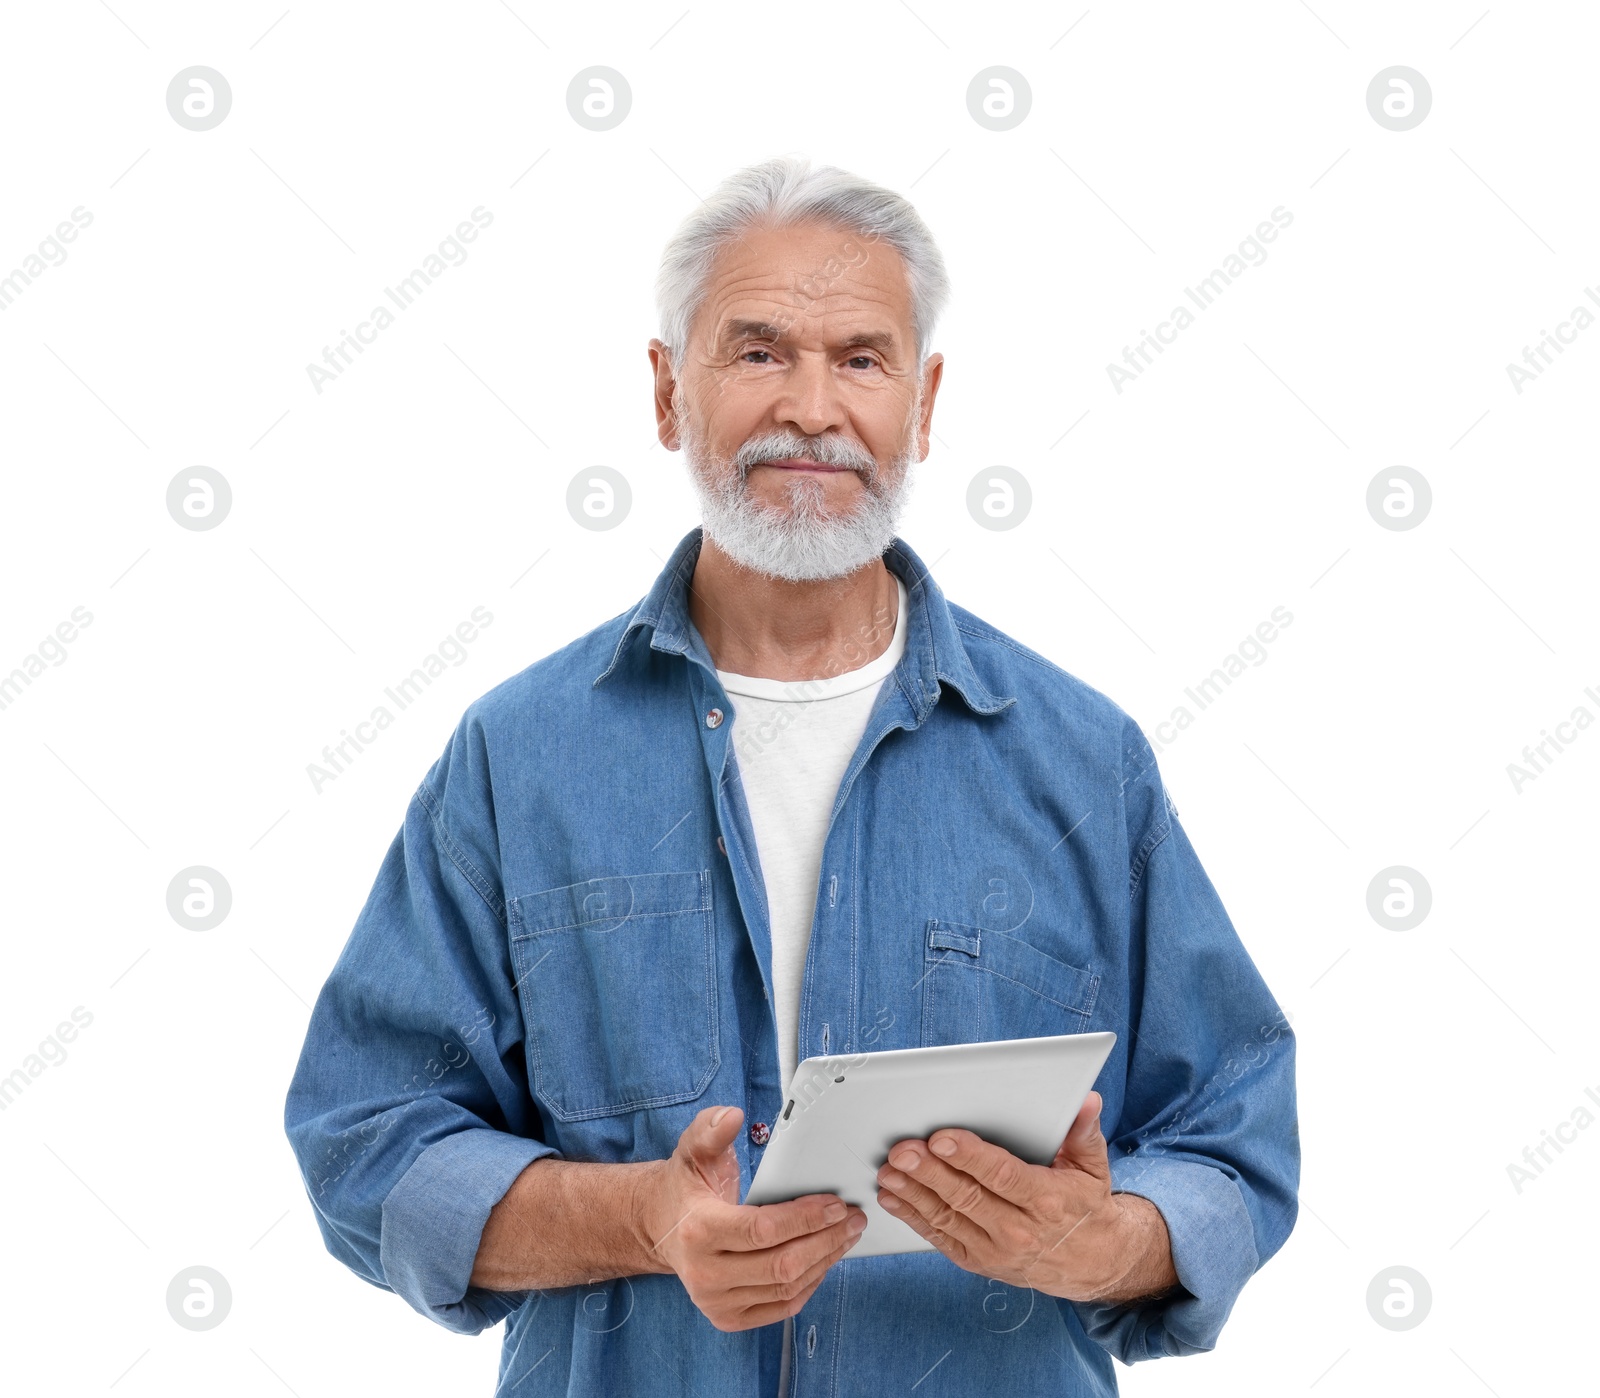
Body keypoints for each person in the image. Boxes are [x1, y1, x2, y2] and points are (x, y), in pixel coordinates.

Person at [284, 155, 1298, 1397]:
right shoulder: (519, 756)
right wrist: (638, 1220)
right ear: (667, 392)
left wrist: (1106, 1244)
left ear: (923, 406)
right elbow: (366, 1137)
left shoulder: (1087, 762)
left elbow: (1232, 1132)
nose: (813, 409)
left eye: (861, 360)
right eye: (758, 352)